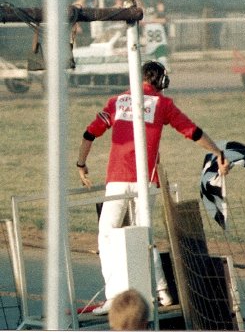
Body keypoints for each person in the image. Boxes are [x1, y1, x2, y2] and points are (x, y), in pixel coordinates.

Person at [77, 60, 229, 315]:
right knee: (143, 235)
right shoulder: (163, 104)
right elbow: (192, 131)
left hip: (117, 178)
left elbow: (89, 134)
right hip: (147, 181)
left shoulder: (116, 102)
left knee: (107, 234)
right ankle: (163, 292)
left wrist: (81, 163)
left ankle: (114, 297)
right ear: (160, 80)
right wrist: (218, 152)